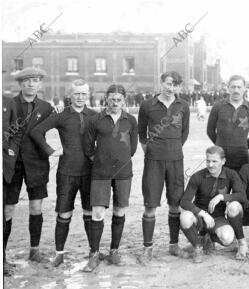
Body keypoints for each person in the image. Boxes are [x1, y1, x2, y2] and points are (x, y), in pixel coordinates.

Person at [30, 79, 98, 267]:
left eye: (84, 93)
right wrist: (51, 151)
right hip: (67, 172)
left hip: (89, 173)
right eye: (76, 93)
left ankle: (94, 253)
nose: (80, 97)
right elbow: (36, 132)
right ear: (70, 95)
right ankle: (59, 254)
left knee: (89, 213)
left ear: (89, 95)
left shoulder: (94, 115)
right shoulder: (61, 114)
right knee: (64, 213)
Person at [81, 84, 138, 272]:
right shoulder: (95, 119)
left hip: (123, 172)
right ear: (106, 99)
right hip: (100, 172)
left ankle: (114, 251)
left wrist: (119, 160)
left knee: (120, 210)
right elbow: (88, 147)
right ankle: (94, 254)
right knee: (97, 212)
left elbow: (133, 148)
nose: (115, 102)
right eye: (112, 99)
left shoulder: (130, 120)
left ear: (124, 100)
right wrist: (101, 160)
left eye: (119, 99)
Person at [137, 71, 191, 263]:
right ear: (161, 83)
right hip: (154, 161)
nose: (171, 88)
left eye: (175, 85)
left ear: (179, 87)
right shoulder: (147, 105)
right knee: (150, 204)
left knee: (175, 204)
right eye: (168, 84)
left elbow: (184, 133)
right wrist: (151, 150)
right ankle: (147, 249)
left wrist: (173, 148)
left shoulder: (183, 105)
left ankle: (173, 245)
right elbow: (141, 133)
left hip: (176, 159)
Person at [4, 67, 54, 264]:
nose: (31, 84)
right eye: (26, 81)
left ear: (40, 83)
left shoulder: (47, 107)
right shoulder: (8, 104)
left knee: (36, 207)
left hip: (37, 163)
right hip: (12, 164)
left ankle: (34, 251)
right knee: (7, 209)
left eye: (35, 80)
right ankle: (3, 256)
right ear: (20, 84)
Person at [179, 146, 246, 263]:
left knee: (227, 238)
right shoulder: (197, 176)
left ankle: (209, 238)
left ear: (223, 161)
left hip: (218, 218)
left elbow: (241, 195)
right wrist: (203, 214)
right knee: (185, 217)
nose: (210, 165)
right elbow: (184, 201)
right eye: (208, 161)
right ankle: (197, 247)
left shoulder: (231, 174)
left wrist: (222, 197)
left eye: (214, 161)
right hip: (199, 217)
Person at [207, 75, 249, 171]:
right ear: (228, 88)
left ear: (244, 88)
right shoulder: (218, 106)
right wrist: (220, 145)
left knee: (240, 185)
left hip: (242, 157)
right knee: (220, 185)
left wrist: (242, 146)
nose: (236, 90)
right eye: (233, 87)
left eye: (239, 87)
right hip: (220, 156)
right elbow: (210, 130)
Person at [3, 95, 20, 276]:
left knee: (5, 213)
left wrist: (11, 151)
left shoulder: (8, 102)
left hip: (4, 167)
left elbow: (16, 130)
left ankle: (3, 258)